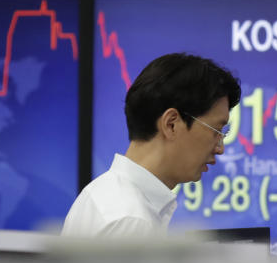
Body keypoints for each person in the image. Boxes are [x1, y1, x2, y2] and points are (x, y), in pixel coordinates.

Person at [61, 52, 241, 238]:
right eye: (217, 131)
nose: (220, 148)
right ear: (171, 124)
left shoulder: (102, 192)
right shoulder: (132, 221)